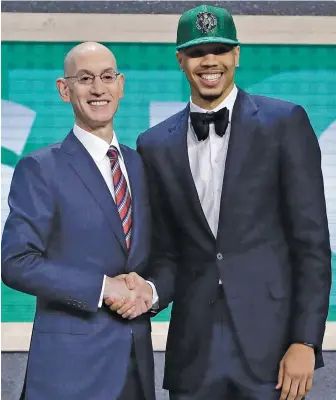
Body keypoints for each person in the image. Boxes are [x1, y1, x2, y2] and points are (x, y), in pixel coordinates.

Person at [110, 5, 332, 400]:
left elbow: (311, 244)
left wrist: (306, 341)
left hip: (273, 349)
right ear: (180, 60)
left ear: (236, 55)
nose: (209, 61)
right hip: (194, 352)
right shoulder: (154, 143)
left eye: (219, 49)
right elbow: (166, 252)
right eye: (196, 52)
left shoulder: (285, 123)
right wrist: (147, 290)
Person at [1, 42, 156, 400]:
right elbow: (15, 263)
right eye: (85, 78)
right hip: (68, 376)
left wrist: (151, 290)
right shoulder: (40, 168)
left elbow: (167, 255)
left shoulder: (144, 166)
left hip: (136, 370)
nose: (98, 89)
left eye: (106, 77)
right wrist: (103, 288)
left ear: (121, 84)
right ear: (64, 89)